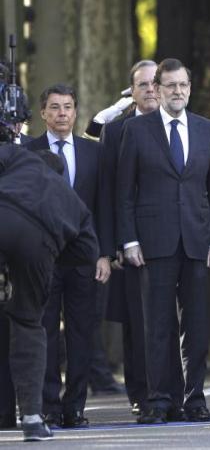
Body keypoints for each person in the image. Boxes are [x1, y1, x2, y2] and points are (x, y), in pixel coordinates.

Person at [117, 58, 210, 423]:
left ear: (189, 89)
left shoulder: (207, 129)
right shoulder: (136, 130)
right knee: (157, 325)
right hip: (153, 242)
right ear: (158, 90)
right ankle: (160, 401)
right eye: (170, 85)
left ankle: (195, 400)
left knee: (196, 326)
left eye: (183, 85)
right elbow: (124, 192)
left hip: (196, 240)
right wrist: (129, 240)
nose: (177, 91)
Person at [97, 60, 186, 419]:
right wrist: (114, 245)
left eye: (154, 83)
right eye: (143, 85)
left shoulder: (175, 126)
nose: (150, 90)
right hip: (132, 242)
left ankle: (172, 393)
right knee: (138, 319)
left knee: (169, 320)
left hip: (171, 238)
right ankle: (142, 393)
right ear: (131, 92)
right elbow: (108, 192)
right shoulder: (117, 131)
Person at [1, 133, 99, 441]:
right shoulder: (74, 202)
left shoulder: (20, 157)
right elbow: (88, 253)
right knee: (29, 324)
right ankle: (32, 419)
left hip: (4, 211)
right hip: (40, 244)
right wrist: (54, 250)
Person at [25, 84, 112, 429]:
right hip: (42, 258)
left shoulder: (94, 153)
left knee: (81, 333)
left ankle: (75, 407)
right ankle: (49, 406)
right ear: (43, 113)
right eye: (55, 107)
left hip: (84, 258)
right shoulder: (27, 152)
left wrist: (104, 254)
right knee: (44, 332)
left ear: (76, 112)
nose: (62, 113)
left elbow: (103, 205)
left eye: (68, 107)